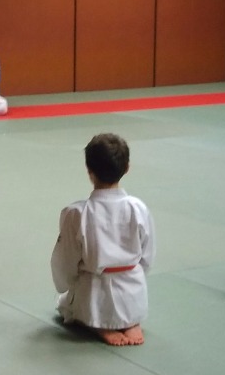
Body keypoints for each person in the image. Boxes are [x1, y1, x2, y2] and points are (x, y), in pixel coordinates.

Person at [51, 133, 156, 346]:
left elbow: (64, 263)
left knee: (62, 304)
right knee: (129, 277)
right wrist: (131, 274)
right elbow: (147, 257)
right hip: (133, 293)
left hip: (93, 301)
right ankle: (130, 321)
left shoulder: (77, 213)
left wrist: (66, 285)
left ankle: (97, 324)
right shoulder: (139, 208)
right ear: (127, 168)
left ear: (89, 171)